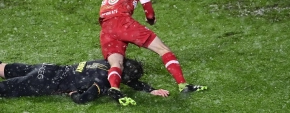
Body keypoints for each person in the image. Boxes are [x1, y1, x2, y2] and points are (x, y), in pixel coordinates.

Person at [98, 0, 206, 99]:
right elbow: (147, 8)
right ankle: (183, 85)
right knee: (163, 49)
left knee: (116, 63)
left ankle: (115, 90)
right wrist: (151, 19)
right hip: (122, 22)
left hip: (106, 26)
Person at [0, 58, 169, 105]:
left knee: (6, 68)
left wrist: (150, 89)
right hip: (45, 82)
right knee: (4, 89)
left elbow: (125, 78)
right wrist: (73, 93)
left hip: (48, 68)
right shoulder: (104, 82)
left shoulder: (107, 62)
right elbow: (83, 99)